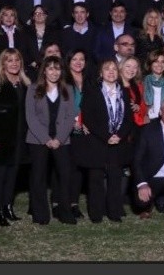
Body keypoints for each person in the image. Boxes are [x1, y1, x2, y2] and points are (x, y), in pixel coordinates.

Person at [79, 59, 135, 223]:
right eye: (107, 69)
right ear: (101, 73)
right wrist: (106, 136)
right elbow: (88, 117)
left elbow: (128, 118)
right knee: (96, 178)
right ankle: (96, 213)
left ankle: (114, 211)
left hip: (118, 141)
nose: (111, 72)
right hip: (98, 141)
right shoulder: (92, 91)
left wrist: (120, 135)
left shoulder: (124, 91)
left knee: (115, 178)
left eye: (114, 69)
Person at [24, 56, 77, 225]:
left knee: (65, 175)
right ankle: (40, 214)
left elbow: (70, 117)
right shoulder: (33, 89)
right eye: (50, 68)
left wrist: (59, 139)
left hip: (62, 140)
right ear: (44, 70)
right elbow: (31, 117)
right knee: (38, 176)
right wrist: (46, 139)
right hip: (38, 140)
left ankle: (65, 212)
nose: (54, 72)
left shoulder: (68, 89)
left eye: (57, 68)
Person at [0, 48, 31, 226]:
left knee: (13, 175)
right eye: (9, 60)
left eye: (17, 60)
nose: (14, 64)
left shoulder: (25, 83)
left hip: (20, 137)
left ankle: (8, 206)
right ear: (3, 63)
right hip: (1, 137)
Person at [63, 49, 91, 219]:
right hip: (67, 128)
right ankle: (61, 203)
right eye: (75, 59)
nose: (78, 62)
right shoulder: (63, 80)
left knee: (79, 168)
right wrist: (73, 121)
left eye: (81, 59)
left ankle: (74, 203)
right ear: (68, 61)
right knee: (66, 168)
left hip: (85, 130)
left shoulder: (90, 81)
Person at [20, 5, 60, 80]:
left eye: (42, 13)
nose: (39, 15)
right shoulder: (25, 31)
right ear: (33, 16)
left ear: (46, 16)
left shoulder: (54, 31)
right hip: (30, 69)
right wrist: (32, 62)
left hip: (50, 67)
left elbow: (56, 49)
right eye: (36, 13)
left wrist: (46, 63)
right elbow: (23, 50)